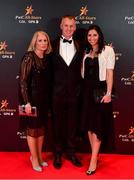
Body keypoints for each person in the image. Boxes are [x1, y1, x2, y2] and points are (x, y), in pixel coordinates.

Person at [81, 25, 115, 175]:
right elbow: (83, 74)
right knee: (89, 126)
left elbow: (109, 73)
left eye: (94, 35)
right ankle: (94, 154)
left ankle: (93, 159)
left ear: (99, 36)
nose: (92, 38)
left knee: (98, 126)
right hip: (87, 93)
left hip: (100, 92)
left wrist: (108, 93)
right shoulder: (86, 51)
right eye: (89, 35)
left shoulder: (108, 50)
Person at [51, 15, 83, 169]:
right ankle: (57, 153)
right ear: (61, 26)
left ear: (75, 27)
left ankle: (71, 152)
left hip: (74, 94)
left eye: (72, 26)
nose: (69, 28)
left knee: (72, 124)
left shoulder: (80, 44)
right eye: (66, 25)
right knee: (57, 124)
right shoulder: (52, 45)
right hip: (56, 93)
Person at [18, 31, 52, 172]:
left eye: (45, 41)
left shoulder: (46, 58)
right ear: (35, 42)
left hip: (44, 100)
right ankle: (34, 158)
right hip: (31, 100)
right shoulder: (28, 57)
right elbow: (23, 82)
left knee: (41, 129)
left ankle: (38, 156)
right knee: (32, 130)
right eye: (40, 41)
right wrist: (26, 102)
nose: (43, 43)